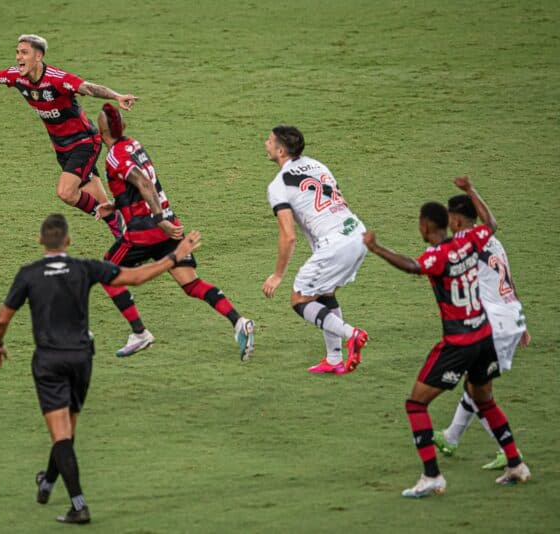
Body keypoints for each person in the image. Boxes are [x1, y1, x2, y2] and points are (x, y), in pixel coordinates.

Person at [0, 214, 201, 524]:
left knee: (61, 434)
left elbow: (2, 319)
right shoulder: (84, 268)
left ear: (39, 241)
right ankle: (47, 482)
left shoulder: (28, 274)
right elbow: (138, 277)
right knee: (67, 430)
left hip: (49, 361)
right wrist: (174, 256)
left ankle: (78, 505)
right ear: (69, 241)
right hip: (81, 358)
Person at [362, 177, 530, 498]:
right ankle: (515, 463)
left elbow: (413, 266)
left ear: (425, 227)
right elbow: (491, 223)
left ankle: (432, 476)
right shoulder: (469, 242)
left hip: (460, 343)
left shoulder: (438, 256)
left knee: (415, 404)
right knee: (484, 400)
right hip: (485, 336)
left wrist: (376, 248)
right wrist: (472, 191)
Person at [0, 34, 138, 239]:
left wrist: (116, 96)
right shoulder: (17, 76)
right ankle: (126, 233)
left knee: (66, 192)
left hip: (84, 142)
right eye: (17, 52)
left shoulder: (58, 79)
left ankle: (114, 219)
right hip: (61, 147)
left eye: (24, 52)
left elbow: (89, 87)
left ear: (38, 56)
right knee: (97, 197)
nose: (18, 57)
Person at [94, 104, 255, 360]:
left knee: (106, 271)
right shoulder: (133, 145)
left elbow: (144, 183)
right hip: (169, 224)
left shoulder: (114, 155)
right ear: (122, 127)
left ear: (100, 131)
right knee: (191, 284)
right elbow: (140, 186)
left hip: (146, 229)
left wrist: (158, 219)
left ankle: (139, 333)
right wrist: (117, 204)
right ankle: (238, 321)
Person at [432, 194, 531, 469]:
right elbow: (508, 279)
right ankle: (452, 436)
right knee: (477, 384)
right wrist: (522, 324)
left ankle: (509, 453)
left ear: (456, 218)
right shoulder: (492, 240)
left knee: (480, 391)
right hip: (511, 316)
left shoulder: (467, 244)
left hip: (495, 322)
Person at [262, 125, 368, 374]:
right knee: (324, 293)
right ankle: (334, 359)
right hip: (357, 232)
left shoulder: (278, 185)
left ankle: (351, 334)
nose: (265, 143)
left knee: (299, 299)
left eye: (269, 140)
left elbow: (288, 236)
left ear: (280, 150)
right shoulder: (318, 165)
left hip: (334, 244)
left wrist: (277, 275)